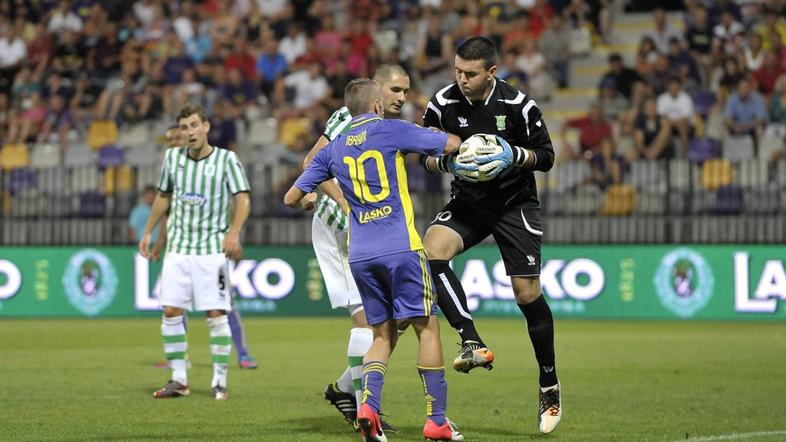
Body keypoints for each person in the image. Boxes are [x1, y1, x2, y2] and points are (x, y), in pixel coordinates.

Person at [284, 78, 463, 442]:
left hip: (362, 253)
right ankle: (437, 420)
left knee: (380, 335)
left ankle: (368, 407)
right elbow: (451, 144)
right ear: (377, 105)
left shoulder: (331, 150)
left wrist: (308, 201)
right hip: (401, 247)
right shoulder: (391, 130)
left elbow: (291, 197)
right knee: (426, 326)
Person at [419, 37, 561, 434]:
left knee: (527, 295)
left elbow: (546, 157)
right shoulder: (443, 103)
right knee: (431, 252)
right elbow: (422, 155)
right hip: (469, 200)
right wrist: (447, 161)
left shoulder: (518, 106)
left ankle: (548, 382)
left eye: (470, 73)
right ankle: (470, 341)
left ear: (492, 73)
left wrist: (513, 155)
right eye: (457, 71)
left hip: (515, 203)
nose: (461, 80)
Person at [303, 64, 411, 429]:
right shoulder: (346, 118)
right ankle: (368, 414)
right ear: (376, 91)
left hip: (373, 233)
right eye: (395, 90)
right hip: (344, 232)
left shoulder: (385, 124)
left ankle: (344, 390)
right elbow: (311, 164)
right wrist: (347, 205)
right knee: (367, 320)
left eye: (405, 92)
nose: (401, 98)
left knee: (399, 321)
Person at [139, 103, 251, 400]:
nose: (189, 132)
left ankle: (219, 380)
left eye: (193, 125)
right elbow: (164, 197)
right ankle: (179, 379)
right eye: (184, 127)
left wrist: (235, 232)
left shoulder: (227, 160)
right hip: (177, 249)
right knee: (171, 311)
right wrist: (149, 230)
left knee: (216, 313)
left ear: (206, 127)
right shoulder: (173, 158)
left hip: (212, 251)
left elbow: (242, 199)